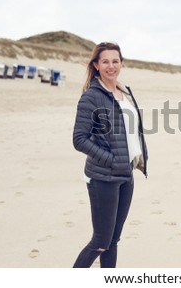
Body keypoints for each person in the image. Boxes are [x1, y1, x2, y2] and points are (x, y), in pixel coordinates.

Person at [72, 42, 148, 268]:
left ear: (122, 64)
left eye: (115, 61)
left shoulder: (125, 93)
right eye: (105, 61)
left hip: (126, 175)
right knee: (101, 241)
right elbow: (79, 139)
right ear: (96, 65)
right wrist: (112, 160)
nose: (111, 66)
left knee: (113, 241)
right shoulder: (91, 97)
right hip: (103, 178)